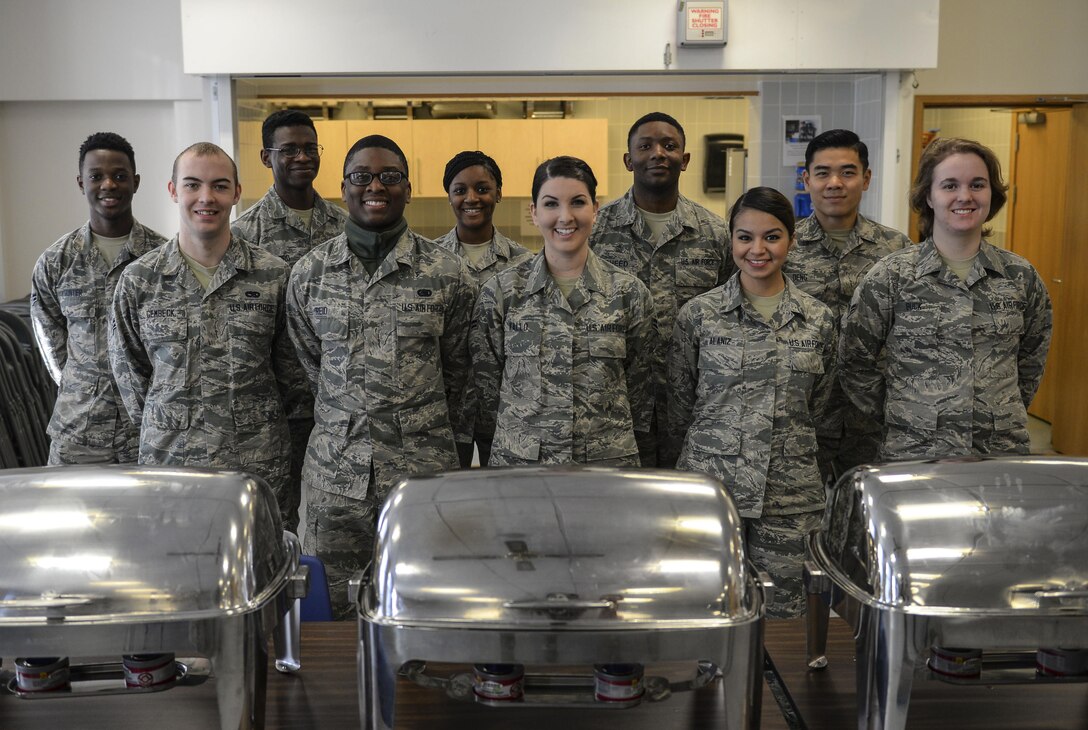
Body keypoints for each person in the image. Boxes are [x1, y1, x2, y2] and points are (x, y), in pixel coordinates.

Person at [287, 134, 476, 618]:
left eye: (390, 177)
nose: (376, 186)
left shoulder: (448, 273)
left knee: (427, 603)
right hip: (336, 478)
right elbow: (307, 365)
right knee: (330, 610)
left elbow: (460, 374)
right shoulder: (310, 274)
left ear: (408, 189)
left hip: (421, 476)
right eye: (362, 177)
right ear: (343, 188)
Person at [668, 187, 837, 618]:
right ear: (731, 241)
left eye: (772, 237)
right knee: (705, 612)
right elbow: (679, 404)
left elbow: (822, 408)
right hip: (712, 493)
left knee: (784, 622)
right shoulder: (699, 316)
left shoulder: (818, 320)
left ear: (791, 241)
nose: (757, 249)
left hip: (790, 500)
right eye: (744, 237)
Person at [110, 142, 296, 523]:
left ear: (236, 193)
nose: (206, 198)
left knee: (260, 574)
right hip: (171, 467)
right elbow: (132, 379)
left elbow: (293, 376)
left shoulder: (273, 275)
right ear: (173, 190)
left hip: (257, 468)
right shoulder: (140, 280)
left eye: (220, 186)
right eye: (192, 185)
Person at [840, 137, 1052, 460]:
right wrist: (903, 410)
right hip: (914, 454)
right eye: (950, 185)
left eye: (977, 185)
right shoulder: (891, 277)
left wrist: (997, 410)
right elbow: (854, 360)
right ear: (928, 195)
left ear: (991, 194)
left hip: (1000, 454)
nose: (964, 196)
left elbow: (1031, 361)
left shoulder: (1020, 277)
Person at [472, 156, 654, 467]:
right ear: (534, 212)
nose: (565, 217)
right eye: (551, 204)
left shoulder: (628, 293)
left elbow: (641, 391)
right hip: (523, 469)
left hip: (606, 469)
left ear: (595, 209)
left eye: (578, 202)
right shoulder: (502, 292)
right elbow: (487, 392)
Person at [589, 111, 731, 467]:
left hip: (691, 406)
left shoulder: (715, 234)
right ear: (628, 159)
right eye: (646, 146)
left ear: (684, 160)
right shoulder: (595, 231)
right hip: (611, 404)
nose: (658, 153)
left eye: (670, 146)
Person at [232, 109, 348, 531]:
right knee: (274, 525)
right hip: (272, 411)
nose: (302, 157)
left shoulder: (345, 226)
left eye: (310, 148)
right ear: (266, 157)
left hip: (337, 407)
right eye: (289, 149)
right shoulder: (244, 235)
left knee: (331, 524)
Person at [30, 132, 167, 465]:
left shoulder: (163, 259)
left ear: (135, 182)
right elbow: (53, 350)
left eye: (119, 176)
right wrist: (88, 388)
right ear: (81, 183)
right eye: (96, 176)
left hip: (148, 433)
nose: (108, 184)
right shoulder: (56, 262)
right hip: (79, 434)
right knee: (69, 518)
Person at [783, 129, 912, 476]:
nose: (834, 183)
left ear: (866, 179)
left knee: (866, 519)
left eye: (848, 172)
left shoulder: (896, 249)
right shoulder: (784, 248)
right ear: (806, 179)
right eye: (823, 173)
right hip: (801, 416)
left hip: (872, 417)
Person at [433, 150, 532, 466]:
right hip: (445, 411)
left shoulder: (525, 264)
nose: (471, 198)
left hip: (508, 409)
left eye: (482, 188)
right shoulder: (428, 262)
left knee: (504, 503)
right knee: (449, 504)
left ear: (499, 193)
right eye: (460, 190)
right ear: (449, 196)